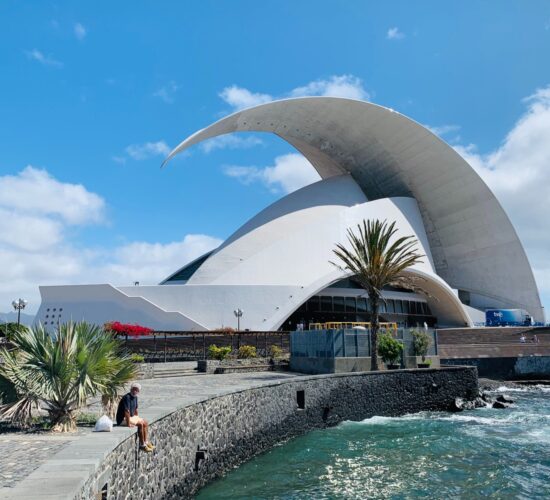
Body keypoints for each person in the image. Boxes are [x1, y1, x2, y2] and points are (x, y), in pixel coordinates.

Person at [116, 382, 155, 452]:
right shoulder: (127, 397)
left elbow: (136, 410)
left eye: (136, 390)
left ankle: (146, 441)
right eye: (134, 389)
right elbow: (126, 412)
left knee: (145, 422)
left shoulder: (135, 397)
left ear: (138, 391)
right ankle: (142, 445)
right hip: (123, 419)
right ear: (131, 389)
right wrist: (128, 424)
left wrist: (137, 418)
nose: (135, 391)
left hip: (131, 417)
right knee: (140, 424)